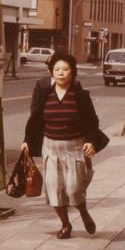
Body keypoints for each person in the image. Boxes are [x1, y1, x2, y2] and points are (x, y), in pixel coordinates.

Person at [22, 51, 107, 239]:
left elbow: (92, 121)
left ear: (73, 72)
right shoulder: (45, 93)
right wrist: (27, 141)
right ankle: (66, 225)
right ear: (51, 72)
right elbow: (35, 120)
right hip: (51, 147)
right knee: (54, 189)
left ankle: (84, 213)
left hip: (75, 147)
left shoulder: (80, 95)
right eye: (57, 69)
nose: (60, 73)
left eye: (65, 69)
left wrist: (91, 141)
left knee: (74, 189)